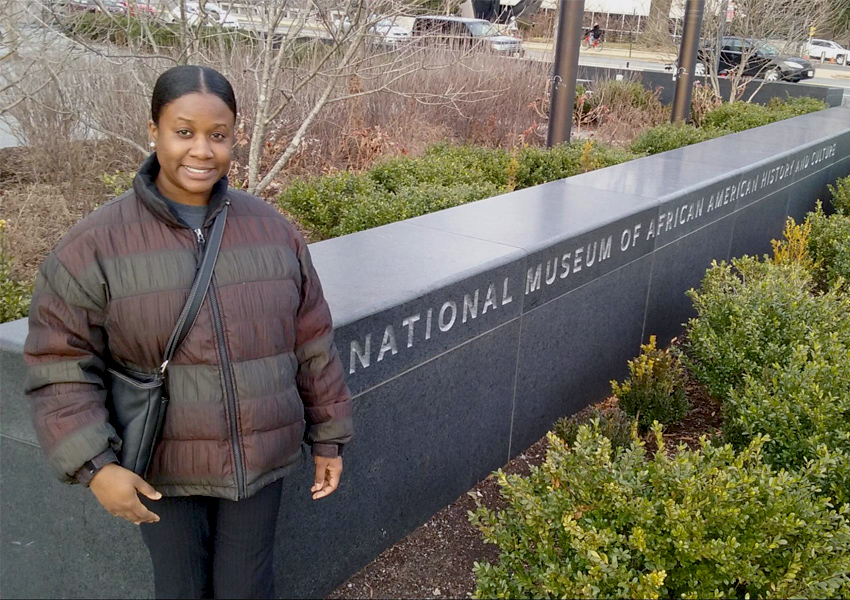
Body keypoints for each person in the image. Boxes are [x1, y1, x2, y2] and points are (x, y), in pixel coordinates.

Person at [23, 64, 353, 599]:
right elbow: (58, 363)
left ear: (233, 139)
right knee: (181, 589)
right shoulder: (94, 245)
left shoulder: (273, 230)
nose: (202, 150)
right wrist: (95, 466)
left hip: (259, 457)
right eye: (184, 132)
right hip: (163, 466)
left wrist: (330, 437)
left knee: (247, 586)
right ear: (153, 130)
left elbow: (312, 343)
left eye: (218, 135)